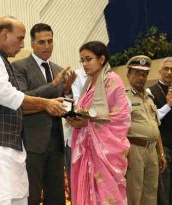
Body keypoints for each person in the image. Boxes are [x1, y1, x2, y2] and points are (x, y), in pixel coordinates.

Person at [0, 16, 67, 205]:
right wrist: (45, 104)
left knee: (17, 200)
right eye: (19, 38)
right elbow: (6, 95)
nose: (22, 44)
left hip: (7, 146)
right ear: (4, 35)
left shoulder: (2, 60)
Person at [11, 23, 76, 205]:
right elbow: (22, 99)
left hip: (56, 143)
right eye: (41, 42)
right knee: (30, 195)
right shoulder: (19, 67)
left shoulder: (58, 69)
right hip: (31, 142)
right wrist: (54, 85)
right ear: (32, 43)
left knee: (56, 197)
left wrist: (69, 91)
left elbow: (64, 104)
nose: (47, 46)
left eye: (50, 41)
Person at [66, 41, 130, 205]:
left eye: (88, 59)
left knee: (106, 194)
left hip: (104, 148)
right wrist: (75, 118)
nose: (85, 64)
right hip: (86, 145)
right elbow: (85, 110)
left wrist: (87, 123)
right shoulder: (87, 84)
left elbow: (120, 115)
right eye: (82, 61)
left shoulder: (112, 80)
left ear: (101, 59)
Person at [125, 55, 167, 205]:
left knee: (151, 193)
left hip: (152, 151)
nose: (140, 77)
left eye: (144, 74)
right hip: (134, 150)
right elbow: (119, 129)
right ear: (128, 75)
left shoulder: (150, 98)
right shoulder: (124, 98)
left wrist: (160, 153)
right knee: (134, 192)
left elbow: (156, 126)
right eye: (136, 73)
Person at [146, 57, 172, 205]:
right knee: (163, 190)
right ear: (160, 71)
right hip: (162, 147)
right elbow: (149, 119)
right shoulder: (149, 92)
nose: (169, 72)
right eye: (166, 69)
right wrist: (168, 105)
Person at [61, 66, 87, 201]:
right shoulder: (75, 75)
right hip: (74, 139)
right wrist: (66, 89)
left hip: (98, 140)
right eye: (84, 59)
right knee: (76, 183)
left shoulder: (108, 78)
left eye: (89, 59)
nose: (86, 63)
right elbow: (68, 104)